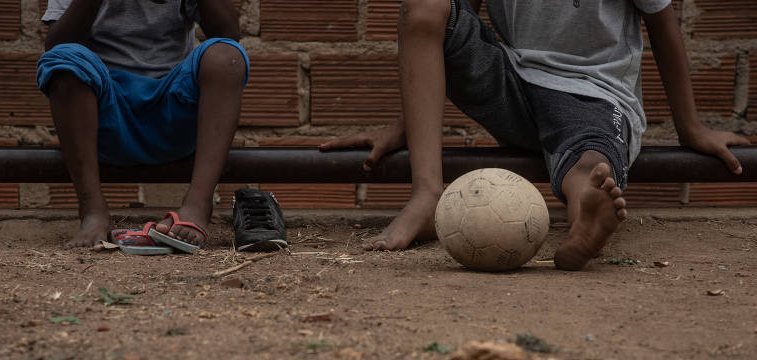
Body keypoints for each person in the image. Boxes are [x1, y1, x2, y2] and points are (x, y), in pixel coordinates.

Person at [320, 0, 750, 269]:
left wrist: (691, 128)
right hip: (511, 80)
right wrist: (402, 129)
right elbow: (449, 25)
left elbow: (664, 24)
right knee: (426, 3)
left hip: (591, 92)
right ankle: (427, 193)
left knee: (590, 164)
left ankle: (586, 219)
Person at [37, 0, 248, 250]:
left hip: (172, 112)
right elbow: (57, 44)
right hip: (105, 116)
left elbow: (228, 33)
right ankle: (93, 210)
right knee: (64, 60)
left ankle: (197, 204)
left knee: (227, 56)